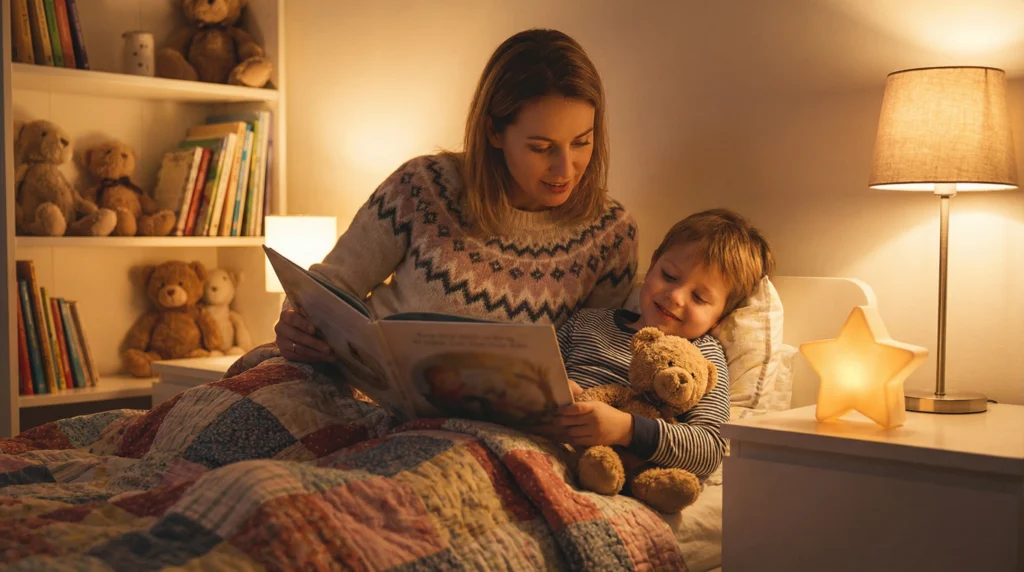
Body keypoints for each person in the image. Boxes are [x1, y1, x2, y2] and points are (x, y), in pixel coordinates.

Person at [273, 28, 638, 364]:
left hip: (497, 425)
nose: (566, 169)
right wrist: (296, 321)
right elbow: (332, 285)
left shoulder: (610, 236)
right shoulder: (424, 186)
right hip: (365, 381)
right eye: (541, 147)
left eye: (581, 143)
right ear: (494, 132)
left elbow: (595, 366)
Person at [553, 209, 774, 479]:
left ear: (721, 317)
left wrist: (627, 429)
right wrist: (555, 393)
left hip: (615, 475)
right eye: (669, 276)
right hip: (548, 448)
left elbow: (709, 449)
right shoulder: (587, 321)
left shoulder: (702, 356)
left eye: (699, 297)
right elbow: (534, 378)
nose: (676, 297)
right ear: (654, 262)